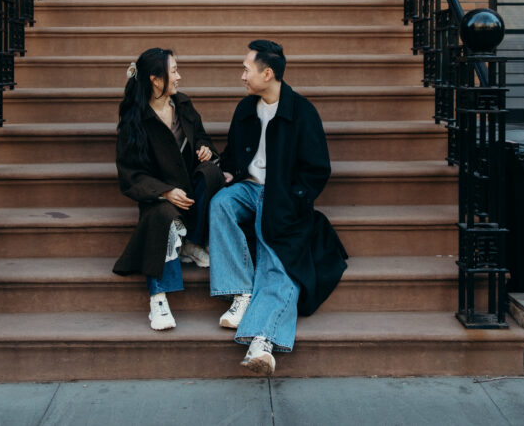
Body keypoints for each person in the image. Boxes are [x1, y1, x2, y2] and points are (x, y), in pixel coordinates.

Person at [208, 40, 348, 375]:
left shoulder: (302, 112)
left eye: (247, 69)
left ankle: (262, 341)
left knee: (279, 258)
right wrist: (228, 170)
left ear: (267, 73)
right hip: (247, 189)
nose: (242, 75)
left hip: (283, 198)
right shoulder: (245, 109)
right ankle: (240, 290)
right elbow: (233, 153)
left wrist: (292, 197)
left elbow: (317, 169)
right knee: (220, 204)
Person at [113, 47, 225, 331]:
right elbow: (130, 174)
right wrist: (164, 192)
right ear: (156, 79)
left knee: (212, 174)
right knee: (162, 217)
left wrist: (204, 149)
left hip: (189, 188)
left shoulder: (183, 105)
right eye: (173, 71)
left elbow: (204, 138)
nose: (179, 77)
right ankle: (158, 297)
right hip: (157, 195)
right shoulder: (135, 119)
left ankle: (192, 243)